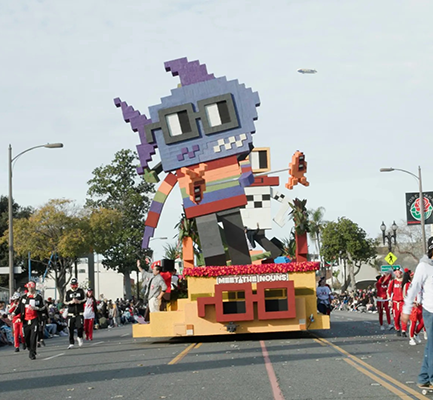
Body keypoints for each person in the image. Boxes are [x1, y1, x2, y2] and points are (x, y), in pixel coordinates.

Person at [402, 237, 433, 388]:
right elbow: (414, 288)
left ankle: (424, 377)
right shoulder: (424, 266)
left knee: (431, 345)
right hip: (430, 309)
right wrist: (406, 309)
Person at [12, 281, 45, 360]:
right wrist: (13, 313)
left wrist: (36, 308)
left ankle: (32, 352)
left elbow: (43, 307)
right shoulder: (24, 297)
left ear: (34, 287)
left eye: (31, 286)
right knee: (26, 337)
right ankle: (30, 348)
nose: (30, 288)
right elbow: (19, 307)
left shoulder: (38, 297)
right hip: (26, 320)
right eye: (28, 287)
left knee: (33, 337)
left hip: (35, 319)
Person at [65, 278, 86, 349]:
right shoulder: (68, 292)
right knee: (70, 328)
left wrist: (79, 301)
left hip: (79, 313)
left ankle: (79, 337)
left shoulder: (81, 291)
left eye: (75, 285)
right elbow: (65, 301)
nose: (74, 286)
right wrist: (71, 302)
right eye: (73, 285)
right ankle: (71, 342)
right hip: (71, 313)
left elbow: (85, 299)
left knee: (80, 326)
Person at [387, 266, 407, 336]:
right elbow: (389, 292)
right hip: (395, 303)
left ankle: (404, 330)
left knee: (404, 317)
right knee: (396, 318)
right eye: (396, 271)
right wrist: (390, 300)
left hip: (403, 302)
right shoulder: (393, 282)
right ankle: (397, 329)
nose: (397, 273)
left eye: (399, 271)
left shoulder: (405, 282)